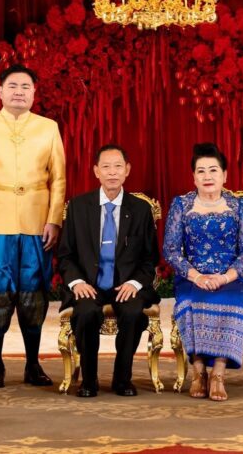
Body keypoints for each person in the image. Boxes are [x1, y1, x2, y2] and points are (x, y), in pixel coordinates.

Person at [0, 64, 66, 389]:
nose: (19, 92)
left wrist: (54, 219)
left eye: (25, 87)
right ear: (0, 91)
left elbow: (58, 179)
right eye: (12, 86)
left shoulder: (48, 128)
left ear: (34, 92)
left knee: (34, 294)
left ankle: (33, 364)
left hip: (36, 223)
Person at [57, 144, 161, 398]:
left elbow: (150, 259)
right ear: (96, 171)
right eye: (106, 167)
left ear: (127, 170)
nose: (112, 172)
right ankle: (89, 380)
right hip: (89, 284)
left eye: (118, 166)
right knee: (86, 312)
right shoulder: (78, 207)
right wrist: (77, 282)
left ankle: (122, 378)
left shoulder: (140, 209)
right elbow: (65, 255)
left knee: (133, 312)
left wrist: (135, 283)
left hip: (125, 285)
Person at [164, 143, 243, 402]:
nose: (207, 176)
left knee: (230, 303)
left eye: (213, 170)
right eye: (201, 171)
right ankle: (198, 371)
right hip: (192, 277)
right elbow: (171, 250)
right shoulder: (182, 205)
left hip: (230, 278)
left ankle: (218, 374)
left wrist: (226, 277)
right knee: (191, 303)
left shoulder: (238, 206)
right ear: (193, 176)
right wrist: (197, 276)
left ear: (224, 175)